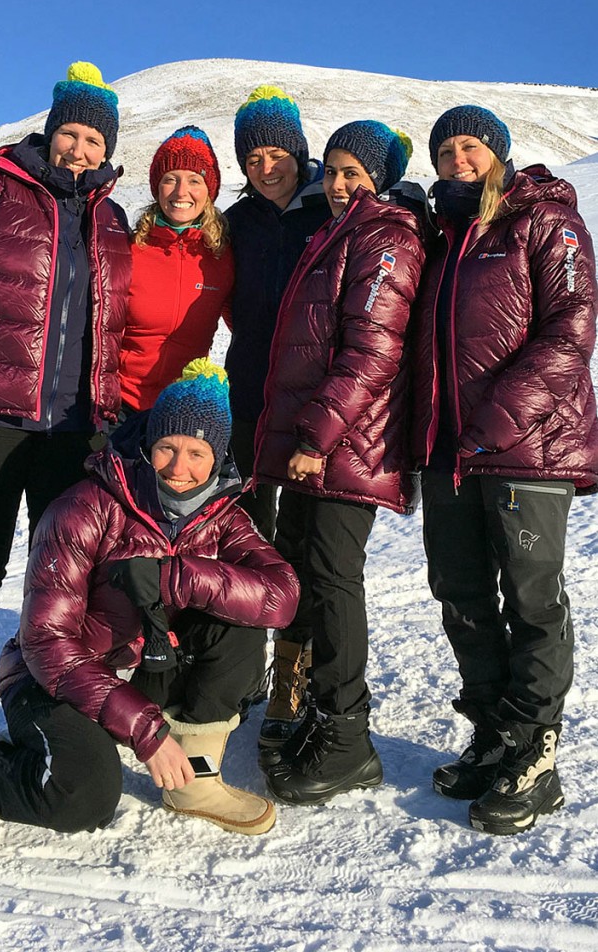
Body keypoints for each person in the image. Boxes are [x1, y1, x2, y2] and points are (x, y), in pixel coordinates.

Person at [0, 359, 300, 880]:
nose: (178, 467)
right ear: (147, 444)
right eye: (167, 447)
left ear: (218, 457)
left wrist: (175, 578)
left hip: (143, 668)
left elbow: (281, 597)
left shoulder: (222, 516)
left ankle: (194, 779)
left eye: (197, 453)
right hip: (57, 679)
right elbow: (46, 643)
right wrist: (145, 730)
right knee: (84, 797)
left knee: (241, 615)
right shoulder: (85, 508)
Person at [0, 62, 132, 765]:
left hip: (71, 422)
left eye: (93, 141)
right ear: (50, 132)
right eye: (70, 133)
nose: (79, 150)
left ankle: (45, 691)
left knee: (58, 568)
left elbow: (118, 324)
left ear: (107, 149)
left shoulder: (113, 221)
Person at [412, 105, 598, 835]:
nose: (457, 158)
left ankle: (534, 753)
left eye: (470, 146)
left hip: (525, 448)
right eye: (445, 149)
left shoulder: (543, 222)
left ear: (498, 152)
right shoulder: (443, 238)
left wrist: (498, 421)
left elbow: (572, 325)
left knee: (530, 598)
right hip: (450, 453)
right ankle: (492, 733)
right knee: (459, 591)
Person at [254, 120, 425, 804]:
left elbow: (371, 352)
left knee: (332, 577)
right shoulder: (339, 233)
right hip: (323, 443)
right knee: (304, 565)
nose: (340, 184)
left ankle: (348, 736)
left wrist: (315, 438)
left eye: (355, 172)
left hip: (346, 446)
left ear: (379, 178)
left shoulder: (386, 237)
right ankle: (319, 713)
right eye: (332, 171)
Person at [224, 84, 331, 746]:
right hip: (248, 401)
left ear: (299, 150)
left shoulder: (331, 209)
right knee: (243, 539)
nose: (267, 165)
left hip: (315, 405)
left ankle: (295, 672)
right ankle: (239, 672)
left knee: (306, 545)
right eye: (254, 155)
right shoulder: (237, 222)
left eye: (277, 151)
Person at [118, 125, 234, 414]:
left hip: (182, 408)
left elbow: (247, 328)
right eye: (171, 179)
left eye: (194, 180)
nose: (182, 192)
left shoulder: (223, 257)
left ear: (210, 191)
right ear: (158, 187)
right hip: (118, 406)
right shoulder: (128, 250)